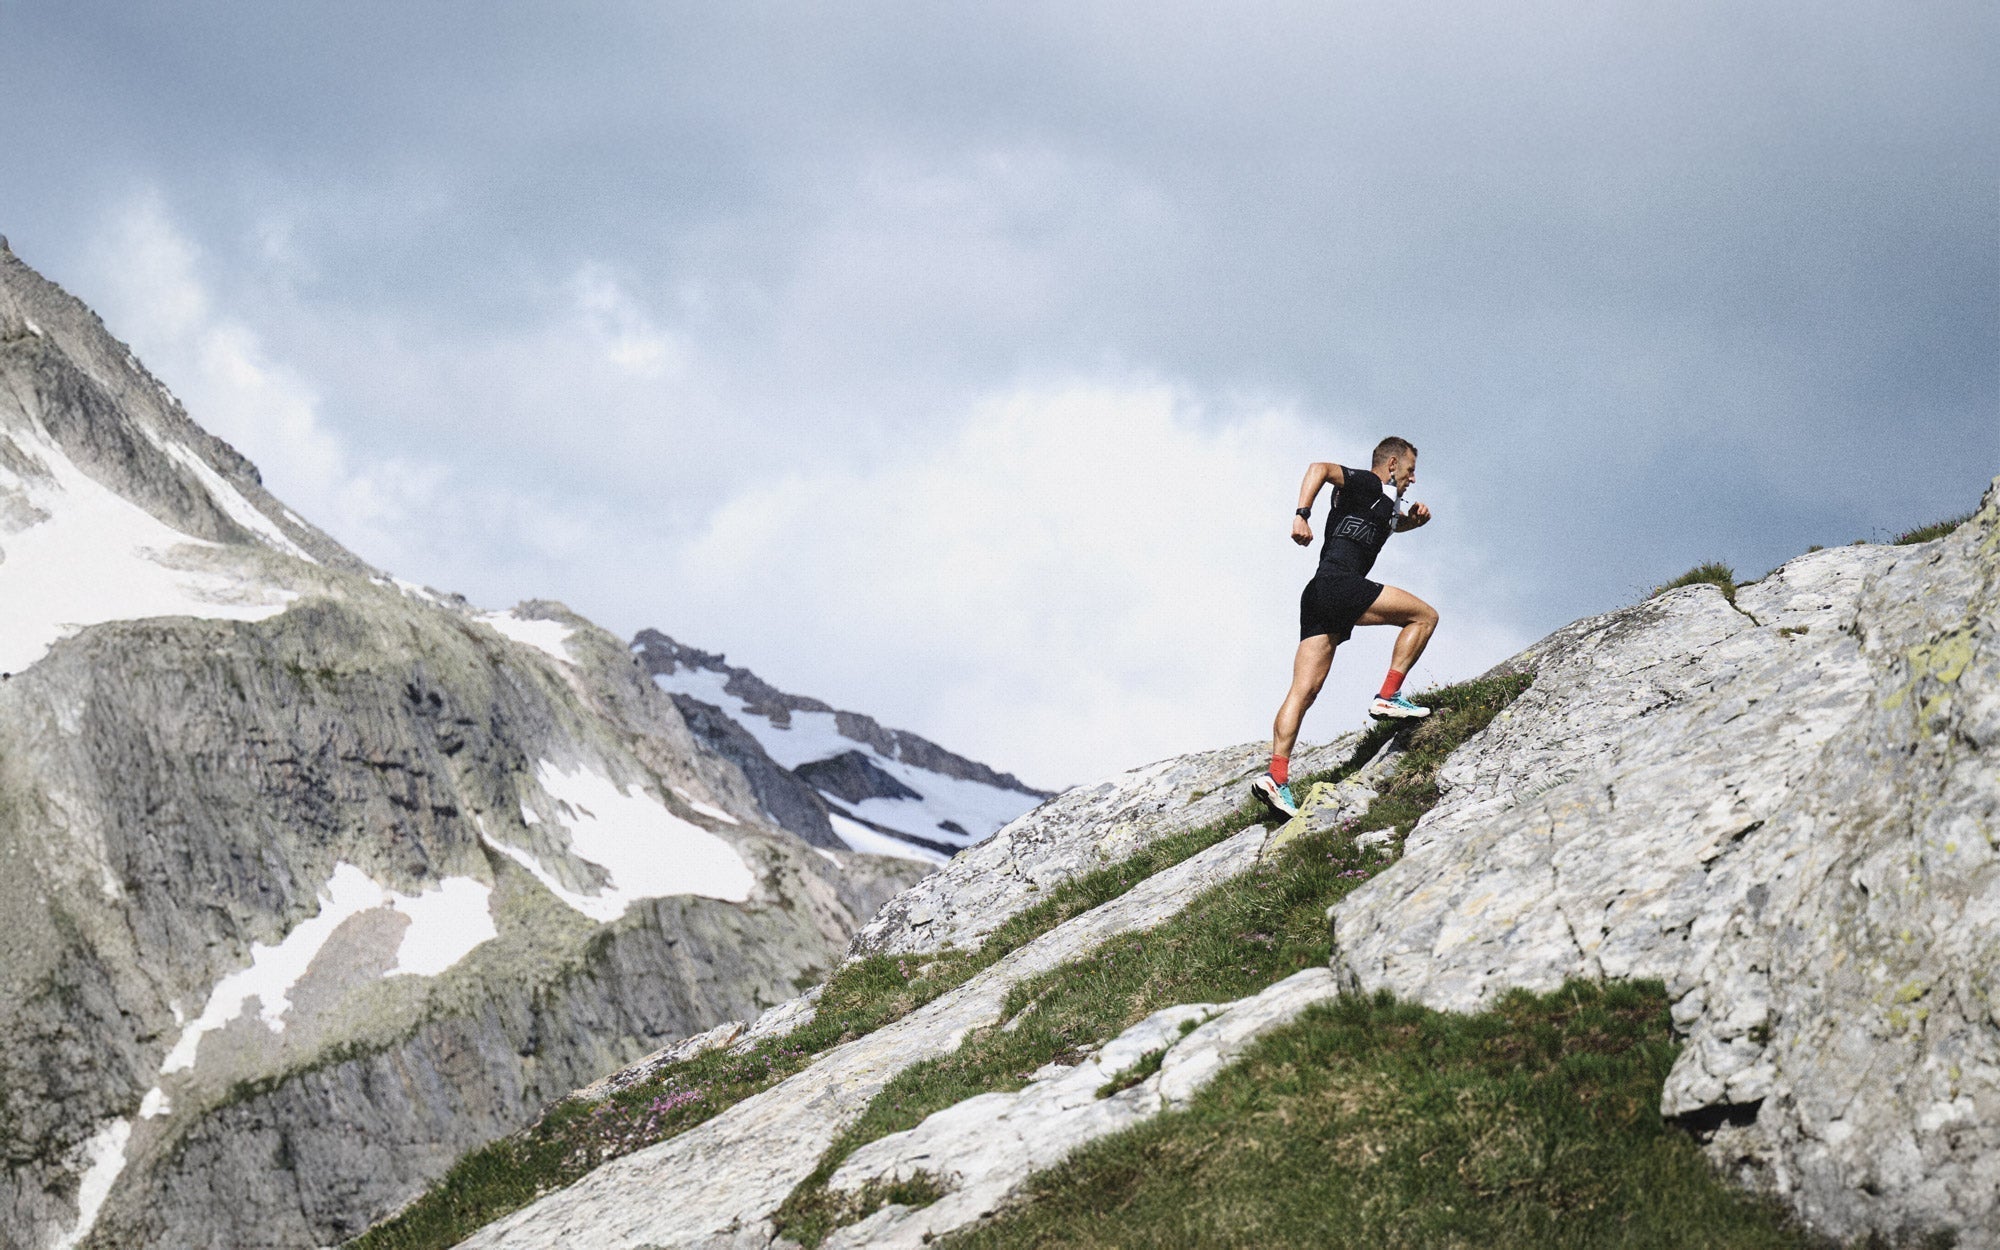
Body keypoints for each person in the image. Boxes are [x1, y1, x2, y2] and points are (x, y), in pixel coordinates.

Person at [1251, 436, 1439, 818]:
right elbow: (1319, 467)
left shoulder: (1381, 503)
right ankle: (1388, 695)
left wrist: (1411, 523)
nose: (1413, 478)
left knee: (1304, 692)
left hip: (1318, 593)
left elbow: (1385, 524)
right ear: (1390, 464)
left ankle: (1276, 777)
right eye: (1410, 469)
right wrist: (1301, 513)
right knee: (1424, 616)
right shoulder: (1368, 483)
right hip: (1340, 584)